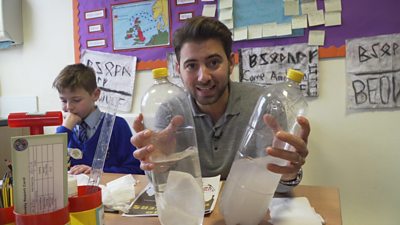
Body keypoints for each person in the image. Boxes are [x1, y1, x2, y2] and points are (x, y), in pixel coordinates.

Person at [131, 16, 310, 192]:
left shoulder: (265, 105)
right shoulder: (170, 111)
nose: (204, 77)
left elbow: (277, 186)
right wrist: (159, 166)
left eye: (214, 62)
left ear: (231, 62)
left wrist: (287, 173)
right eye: (191, 66)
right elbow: (162, 186)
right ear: (178, 70)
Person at [53, 63, 143, 175]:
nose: (69, 107)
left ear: (95, 95)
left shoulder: (116, 125)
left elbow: (135, 170)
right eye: (63, 100)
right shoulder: (65, 130)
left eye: (76, 100)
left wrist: (97, 172)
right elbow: (50, 168)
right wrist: (65, 130)